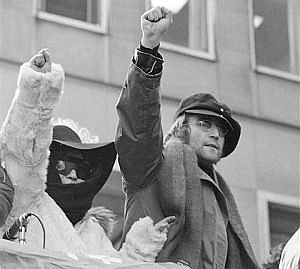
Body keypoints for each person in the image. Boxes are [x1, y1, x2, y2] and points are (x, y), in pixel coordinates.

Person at [115, 6, 260, 269]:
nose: (216, 133)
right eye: (205, 124)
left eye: (222, 130)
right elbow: (138, 124)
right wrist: (149, 48)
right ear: (182, 126)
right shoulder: (152, 166)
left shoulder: (220, 194)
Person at [0, 48, 174, 262]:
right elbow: (22, 147)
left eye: (81, 169)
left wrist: (139, 249)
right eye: (64, 165)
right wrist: (39, 87)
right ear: (47, 163)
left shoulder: (93, 232)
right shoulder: (27, 202)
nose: (73, 175)